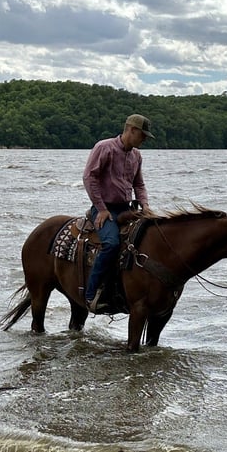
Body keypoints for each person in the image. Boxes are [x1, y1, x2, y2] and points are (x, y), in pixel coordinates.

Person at [82, 114, 154, 312]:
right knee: (112, 244)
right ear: (131, 130)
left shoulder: (136, 156)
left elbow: (139, 184)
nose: (144, 140)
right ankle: (90, 294)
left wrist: (145, 206)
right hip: (103, 207)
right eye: (142, 135)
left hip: (126, 208)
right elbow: (90, 178)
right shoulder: (104, 148)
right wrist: (102, 209)